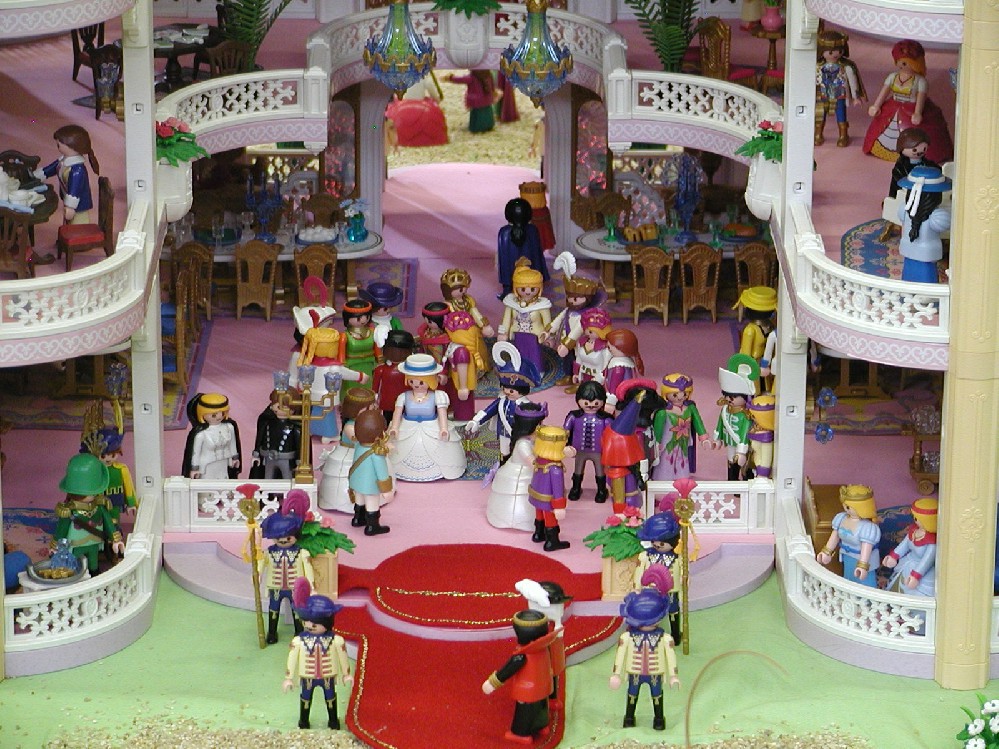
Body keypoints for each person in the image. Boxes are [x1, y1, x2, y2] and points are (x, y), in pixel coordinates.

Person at [864, 39, 953, 164]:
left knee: (916, 133)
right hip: (893, 106)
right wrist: (876, 106)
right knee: (882, 126)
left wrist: (917, 113)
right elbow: (884, 92)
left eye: (905, 63)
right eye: (899, 61)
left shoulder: (920, 81)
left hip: (912, 107)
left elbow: (921, 98)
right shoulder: (893, 77)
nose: (901, 65)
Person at [282, 579, 352, 730]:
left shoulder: (336, 640)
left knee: (330, 698)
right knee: (305, 698)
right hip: (307, 677)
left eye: (314, 623)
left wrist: (346, 674)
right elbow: (292, 659)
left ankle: (333, 721)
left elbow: (343, 657)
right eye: (306, 622)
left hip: (328, 677)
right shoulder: (299, 641)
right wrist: (288, 678)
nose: (309, 626)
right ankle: (303, 721)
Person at [481, 609, 558, 745]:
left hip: (527, 691)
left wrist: (492, 683)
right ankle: (542, 726)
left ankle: (521, 733)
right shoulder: (545, 648)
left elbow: (507, 671)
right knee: (541, 707)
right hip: (544, 687)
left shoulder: (522, 655)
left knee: (524, 714)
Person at [610, 584, 680, 731]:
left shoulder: (664, 638)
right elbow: (620, 655)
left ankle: (659, 719)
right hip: (635, 673)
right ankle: (629, 718)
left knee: (657, 696)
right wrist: (616, 674)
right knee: (632, 695)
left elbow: (670, 656)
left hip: (655, 674)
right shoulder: (627, 637)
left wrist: (673, 675)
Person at [389, 354, 467, 482]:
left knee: (441, 451)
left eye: (421, 382)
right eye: (412, 381)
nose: (416, 385)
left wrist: (443, 428)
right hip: (408, 427)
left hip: (431, 426)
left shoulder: (438, 396)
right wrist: (395, 428)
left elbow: (442, 413)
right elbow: (397, 413)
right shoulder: (403, 396)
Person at [32, 124, 101, 264]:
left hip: (78, 205)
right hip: (68, 201)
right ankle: (66, 238)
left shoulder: (77, 169)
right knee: (68, 222)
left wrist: (70, 207)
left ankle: (79, 243)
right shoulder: (64, 161)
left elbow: (75, 190)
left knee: (77, 224)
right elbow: (51, 169)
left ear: (72, 146)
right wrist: (37, 175)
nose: (57, 146)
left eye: (60, 144)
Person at [466, 342, 540, 463]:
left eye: (511, 390)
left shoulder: (525, 405)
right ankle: (503, 466)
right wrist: (477, 421)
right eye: (504, 388)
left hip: (519, 435)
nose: (506, 392)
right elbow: (488, 411)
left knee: (519, 452)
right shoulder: (501, 401)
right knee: (504, 452)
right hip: (503, 433)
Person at [51, 453, 123, 574]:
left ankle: (94, 574)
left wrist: (115, 539)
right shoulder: (69, 510)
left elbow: (108, 523)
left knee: (94, 565)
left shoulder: (99, 506)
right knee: (73, 566)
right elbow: (61, 530)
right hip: (75, 545)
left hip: (94, 543)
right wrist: (55, 546)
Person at [486, 401, 548, 532]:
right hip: (521, 473)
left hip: (529, 472)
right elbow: (533, 463)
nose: (542, 427)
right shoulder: (523, 445)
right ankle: (517, 519)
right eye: (539, 425)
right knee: (523, 495)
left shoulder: (532, 441)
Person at [259, 507, 314, 644]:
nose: (283, 540)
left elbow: (308, 570)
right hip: (275, 588)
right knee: (273, 610)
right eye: (279, 537)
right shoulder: (268, 553)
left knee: (297, 610)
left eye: (288, 537)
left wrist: (311, 586)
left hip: (295, 588)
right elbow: (260, 565)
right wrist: (257, 575)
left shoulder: (302, 553)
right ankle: (272, 632)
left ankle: (299, 632)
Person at [548, 251, 603, 386]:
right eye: (569, 297)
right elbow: (558, 320)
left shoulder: (585, 316)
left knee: (578, 361)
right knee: (567, 359)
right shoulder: (568, 310)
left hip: (579, 343)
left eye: (576, 299)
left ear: (587, 299)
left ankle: (577, 380)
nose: (571, 301)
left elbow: (578, 330)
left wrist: (568, 344)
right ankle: (568, 376)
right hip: (565, 340)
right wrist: (549, 330)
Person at [816, 484, 882, 588]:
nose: (845, 508)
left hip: (860, 558)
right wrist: (827, 552)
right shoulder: (841, 518)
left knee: (865, 583)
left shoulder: (867, 527)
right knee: (848, 578)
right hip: (847, 556)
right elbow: (835, 536)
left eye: (848, 506)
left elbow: (866, 547)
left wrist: (863, 565)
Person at [633, 512, 683, 646]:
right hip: (651, 590)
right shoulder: (645, 556)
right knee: (652, 610)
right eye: (654, 541)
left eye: (661, 542)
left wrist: (685, 579)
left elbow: (683, 571)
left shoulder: (678, 557)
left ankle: (675, 634)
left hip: (672, 589)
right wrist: (637, 587)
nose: (657, 544)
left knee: (673, 610)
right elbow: (639, 572)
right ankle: (651, 632)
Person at [896, 164, 952, 283]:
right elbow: (946, 224)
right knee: (924, 280)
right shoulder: (938, 216)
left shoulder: (904, 209)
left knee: (910, 276)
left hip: (909, 250)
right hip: (926, 255)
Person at [651, 374, 711, 482]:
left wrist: (703, 437)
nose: (680, 397)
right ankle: (663, 477)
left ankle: (682, 476)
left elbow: (698, 422)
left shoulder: (690, 408)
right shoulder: (663, 412)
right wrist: (657, 443)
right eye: (675, 395)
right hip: (667, 442)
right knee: (666, 460)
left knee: (682, 458)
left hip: (683, 441)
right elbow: (658, 429)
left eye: (684, 394)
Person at [497, 261, 552, 377]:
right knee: (518, 353)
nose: (527, 292)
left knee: (534, 353)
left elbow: (548, 324)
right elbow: (506, 320)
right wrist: (503, 333)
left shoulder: (542, 305)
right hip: (517, 334)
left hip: (534, 336)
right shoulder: (511, 303)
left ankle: (537, 371)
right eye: (523, 289)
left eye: (532, 289)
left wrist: (549, 336)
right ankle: (519, 369)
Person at [563, 380, 614, 503]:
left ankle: (601, 490)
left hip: (599, 451)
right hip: (579, 450)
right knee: (578, 470)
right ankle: (576, 488)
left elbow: (613, 435)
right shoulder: (574, 416)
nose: (591, 405)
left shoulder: (605, 419)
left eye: (595, 402)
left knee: (600, 471)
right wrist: (566, 444)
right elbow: (565, 431)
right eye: (586, 402)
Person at [814, 30, 867, 147]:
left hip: (840, 95)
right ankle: (818, 134)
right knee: (820, 115)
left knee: (841, 115)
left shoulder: (846, 67)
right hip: (822, 95)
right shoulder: (817, 66)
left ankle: (843, 135)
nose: (835, 54)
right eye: (830, 52)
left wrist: (855, 97)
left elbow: (853, 82)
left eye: (839, 51)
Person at [528, 426, 575, 552]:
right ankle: (552, 541)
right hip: (549, 500)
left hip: (537, 495)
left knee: (539, 514)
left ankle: (538, 534)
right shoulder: (555, 469)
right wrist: (559, 507)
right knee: (550, 518)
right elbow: (557, 490)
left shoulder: (539, 461)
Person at [348, 409, 395, 535]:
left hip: (356, 482)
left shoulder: (358, 446)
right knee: (372, 503)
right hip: (370, 486)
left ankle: (358, 518)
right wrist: (386, 490)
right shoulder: (376, 453)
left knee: (359, 500)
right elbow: (382, 473)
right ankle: (372, 526)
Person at [712, 355, 757, 481]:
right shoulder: (725, 410)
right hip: (730, 443)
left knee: (745, 464)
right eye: (727, 396)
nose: (729, 400)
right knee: (731, 462)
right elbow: (720, 424)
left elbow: (744, 433)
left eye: (733, 397)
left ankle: (747, 480)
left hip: (742, 444)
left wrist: (742, 450)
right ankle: (732, 481)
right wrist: (717, 438)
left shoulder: (745, 415)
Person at [601, 394, 647, 514]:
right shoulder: (617, 472)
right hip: (627, 511)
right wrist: (619, 513)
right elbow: (619, 498)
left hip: (634, 508)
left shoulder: (630, 469)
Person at [441, 268, 493, 372]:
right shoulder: (448, 305)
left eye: (464, 287)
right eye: (458, 288)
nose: (463, 290)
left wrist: (484, 325)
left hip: (472, 330)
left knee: (479, 348)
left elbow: (475, 313)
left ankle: (479, 368)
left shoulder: (468, 300)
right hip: (456, 334)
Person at [883, 497, 937, 596]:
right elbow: (904, 545)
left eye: (916, 518)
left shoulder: (932, 543)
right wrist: (894, 556)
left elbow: (926, 561)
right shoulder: (914, 531)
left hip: (921, 571)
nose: (914, 520)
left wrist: (916, 575)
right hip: (907, 563)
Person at [181, 393, 241, 480]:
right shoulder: (201, 434)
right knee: (208, 485)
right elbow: (196, 453)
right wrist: (195, 468)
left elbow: (232, 444)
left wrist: (235, 457)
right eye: (214, 415)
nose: (219, 416)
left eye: (222, 413)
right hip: (207, 465)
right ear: (202, 414)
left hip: (224, 462)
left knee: (224, 482)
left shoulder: (229, 427)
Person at [497, 198, 549, 297]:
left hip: (511, 275)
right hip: (532, 276)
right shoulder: (532, 230)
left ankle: (507, 291)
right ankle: (535, 289)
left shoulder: (504, 232)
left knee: (506, 265)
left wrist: (506, 282)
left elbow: (503, 259)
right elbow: (537, 256)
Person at [442, 310, 486, 423]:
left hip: (462, 384)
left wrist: (463, 387)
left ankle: (464, 419)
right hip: (458, 382)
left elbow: (463, 368)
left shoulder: (461, 351)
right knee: (459, 403)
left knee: (463, 406)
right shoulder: (457, 346)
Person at [252, 389, 302, 480]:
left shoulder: (294, 427)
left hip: (286, 458)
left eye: (280, 406)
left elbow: (299, 444)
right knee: (268, 477)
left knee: (287, 478)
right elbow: (261, 437)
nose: (275, 408)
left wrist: (299, 462)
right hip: (268, 457)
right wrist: (257, 454)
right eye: (274, 404)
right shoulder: (268, 422)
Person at [338, 299, 381, 397]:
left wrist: (380, 361)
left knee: (368, 388)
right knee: (351, 391)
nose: (363, 320)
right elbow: (341, 356)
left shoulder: (373, 332)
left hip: (369, 365)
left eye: (366, 316)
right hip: (352, 367)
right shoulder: (344, 336)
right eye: (358, 318)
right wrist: (342, 367)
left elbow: (377, 350)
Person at [372, 330, 416, 426]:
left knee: (406, 421)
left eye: (402, 351)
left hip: (407, 401)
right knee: (387, 421)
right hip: (387, 403)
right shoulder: (381, 370)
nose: (397, 353)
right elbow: (375, 388)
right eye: (392, 350)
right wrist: (374, 400)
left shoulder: (410, 370)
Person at [887, 127, 938, 200]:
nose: (919, 152)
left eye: (924, 149)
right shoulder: (901, 166)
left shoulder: (926, 163)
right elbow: (898, 179)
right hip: (905, 193)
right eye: (914, 150)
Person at [446, 69, 497, 133]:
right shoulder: (488, 74)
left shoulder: (472, 77)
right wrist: (493, 92)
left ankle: (477, 127)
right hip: (487, 100)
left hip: (476, 102)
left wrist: (451, 77)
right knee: (487, 113)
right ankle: (489, 125)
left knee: (477, 115)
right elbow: (492, 85)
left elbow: (461, 79)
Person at [604, 329, 644, 399]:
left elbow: (614, 385)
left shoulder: (618, 367)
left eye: (610, 347)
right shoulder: (627, 362)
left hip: (619, 397)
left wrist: (611, 398)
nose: (609, 349)